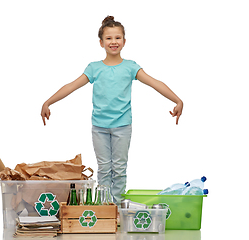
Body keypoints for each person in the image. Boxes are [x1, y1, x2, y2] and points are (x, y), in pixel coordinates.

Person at [41, 16, 183, 205]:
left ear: (124, 41)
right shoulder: (94, 68)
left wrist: (177, 100)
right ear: (101, 42)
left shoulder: (130, 67)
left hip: (122, 126)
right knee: (104, 169)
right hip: (99, 127)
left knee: (119, 168)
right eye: (109, 38)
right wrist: (48, 102)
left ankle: (116, 206)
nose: (113, 42)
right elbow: (71, 86)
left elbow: (155, 83)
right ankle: (104, 206)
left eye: (117, 38)